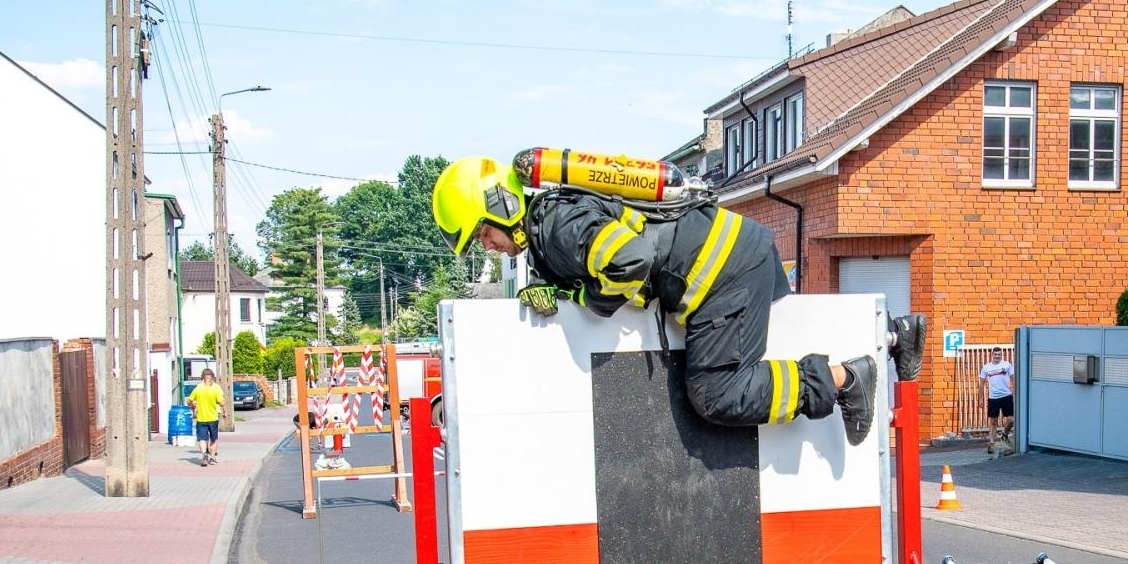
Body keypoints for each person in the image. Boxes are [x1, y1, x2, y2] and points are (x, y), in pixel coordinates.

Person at [430, 156, 926, 445]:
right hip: (730, 256)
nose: (487, 247)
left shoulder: (556, 224)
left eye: (482, 234)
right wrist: (561, 289)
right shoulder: (549, 227)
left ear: (500, 205)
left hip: (722, 272)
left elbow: (631, 261)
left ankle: (844, 378)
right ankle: (892, 335)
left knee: (717, 394)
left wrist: (580, 295)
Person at [979, 346, 1015, 453]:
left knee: (1011, 419)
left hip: (1006, 396)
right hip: (993, 397)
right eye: (995, 354)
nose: (997, 356)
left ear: (1001, 355)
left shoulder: (1007, 365)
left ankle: (1005, 435)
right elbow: (981, 384)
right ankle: (991, 444)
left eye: (999, 354)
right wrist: (980, 399)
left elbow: (1013, 379)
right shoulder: (986, 367)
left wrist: (1014, 392)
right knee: (993, 421)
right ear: (992, 355)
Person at [187, 368, 223, 467]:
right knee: (213, 438)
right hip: (213, 418)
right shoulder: (216, 389)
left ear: (203, 378)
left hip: (201, 418)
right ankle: (212, 457)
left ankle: (204, 454)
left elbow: (189, 401)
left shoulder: (197, 389)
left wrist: (193, 404)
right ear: (212, 378)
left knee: (202, 439)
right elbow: (222, 402)